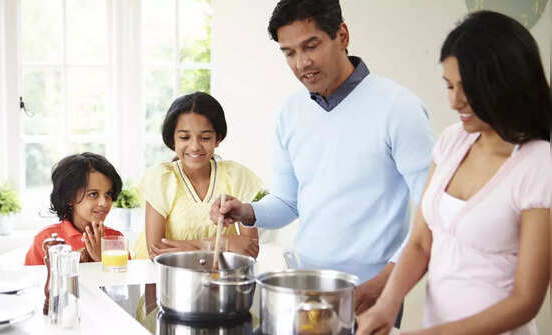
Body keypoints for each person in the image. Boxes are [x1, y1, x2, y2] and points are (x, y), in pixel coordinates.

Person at [210, 0, 434, 325]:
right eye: (289, 53)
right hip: (303, 288)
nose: (302, 63)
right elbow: (289, 202)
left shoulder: (398, 108)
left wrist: (387, 283)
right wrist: (246, 211)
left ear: (342, 35)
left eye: (310, 46)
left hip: (370, 292)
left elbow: (435, 212)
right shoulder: (290, 113)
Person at [357, 11, 551, 335]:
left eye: (468, 89)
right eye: (449, 86)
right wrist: (386, 306)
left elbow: (526, 300)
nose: (455, 101)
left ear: (504, 84)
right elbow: (420, 242)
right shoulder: (452, 141)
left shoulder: (538, 164)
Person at [132, 91, 263, 260]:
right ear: (173, 140)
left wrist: (185, 247)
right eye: (185, 137)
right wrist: (224, 243)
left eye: (205, 138)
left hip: (216, 277)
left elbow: (250, 249)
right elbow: (156, 252)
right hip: (161, 278)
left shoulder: (236, 176)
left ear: (218, 139)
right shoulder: (162, 179)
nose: (194, 146)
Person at [25, 152, 126, 265]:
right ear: (69, 197)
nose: (104, 203)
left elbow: (125, 281)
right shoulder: (45, 240)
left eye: (108, 194)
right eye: (93, 194)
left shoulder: (116, 239)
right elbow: (33, 281)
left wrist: (101, 259)